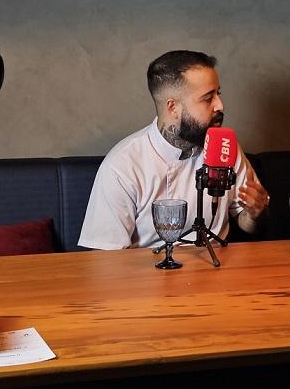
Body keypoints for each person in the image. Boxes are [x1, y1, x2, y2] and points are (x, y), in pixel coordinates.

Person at [79, 50, 269, 250]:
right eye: (207, 98)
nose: (220, 105)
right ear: (172, 107)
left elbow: (247, 223)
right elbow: (106, 259)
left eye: (218, 94)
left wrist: (256, 213)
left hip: (217, 271)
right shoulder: (122, 165)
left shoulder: (225, 147)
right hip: (149, 274)